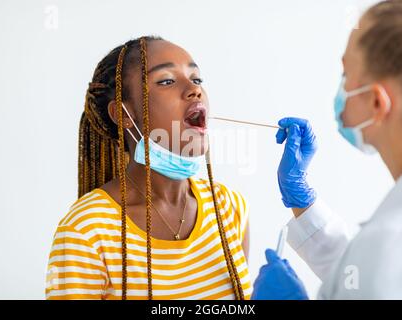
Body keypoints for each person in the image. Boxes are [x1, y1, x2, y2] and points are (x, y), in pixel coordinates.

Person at [46, 36, 252, 300]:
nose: (194, 90)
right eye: (166, 80)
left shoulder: (229, 207)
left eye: (197, 79)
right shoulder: (86, 231)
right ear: (122, 115)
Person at [252, 0, 402, 299]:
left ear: (377, 103)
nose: (341, 89)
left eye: (346, 75)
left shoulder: (399, 242)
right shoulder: (398, 241)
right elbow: (365, 277)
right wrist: (303, 200)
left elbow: (381, 269)